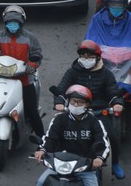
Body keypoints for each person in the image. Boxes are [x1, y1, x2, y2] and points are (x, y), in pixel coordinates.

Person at [53, 39, 125, 178]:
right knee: (59, 134)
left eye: (90, 56)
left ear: (97, 58)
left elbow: (113, 92)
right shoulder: (72, 72)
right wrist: (59, 102)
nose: (86, 59)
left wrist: (117, 102)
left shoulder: (106, 74)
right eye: (83, 56)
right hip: (76, 110)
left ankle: (114, 163)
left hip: (99, 112)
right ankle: (56, 161)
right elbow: (62, 89)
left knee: (112, 137)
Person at [0, 5, 45, 138]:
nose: (12, 25)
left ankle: (43, 139)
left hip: (24, 80)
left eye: (15, 23)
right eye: (9, 23)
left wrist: (32, 65)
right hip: (3, 77)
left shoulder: (30, 38)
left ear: (21, 22)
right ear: (5, 23)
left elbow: (37, 55)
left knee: (31, 110)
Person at [34, 85, 109, 186]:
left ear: (87, 104)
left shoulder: (94, 121)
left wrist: (99, 157)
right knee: (40, 182)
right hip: (60, 164)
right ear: (68, 101)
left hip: (84, 167)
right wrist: (42, 150)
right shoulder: (59, 119)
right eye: (73, 101)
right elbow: (50, 138)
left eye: (80, 102)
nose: (76, 104)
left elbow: (102, 141)